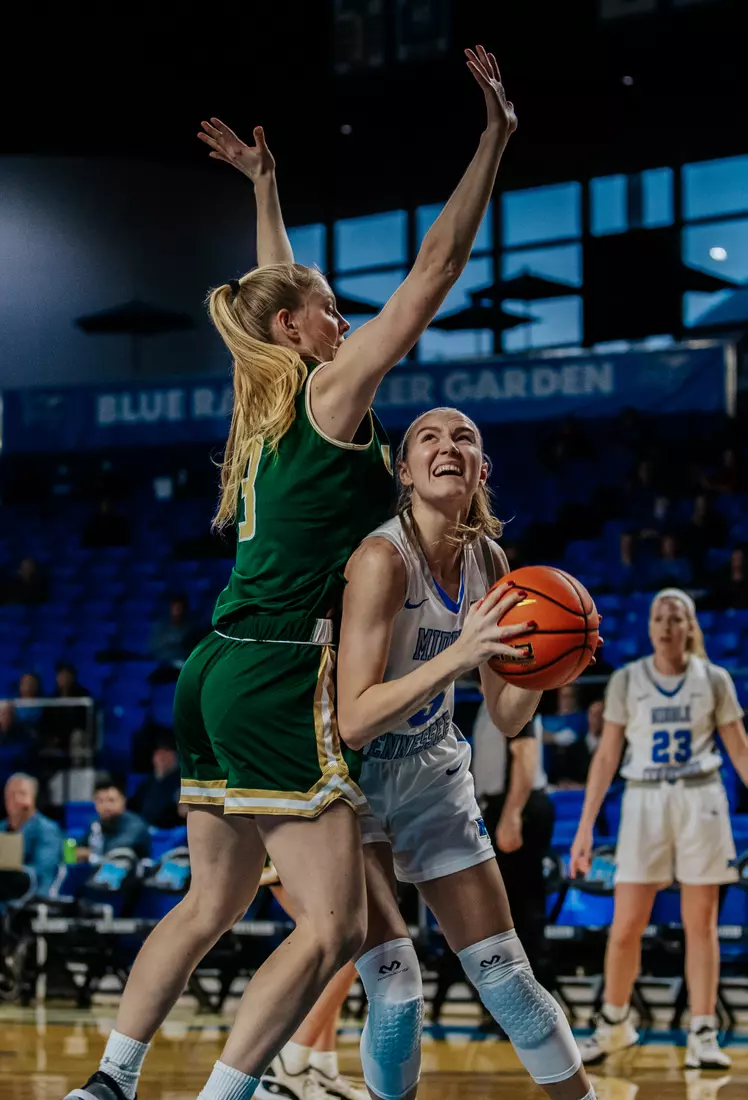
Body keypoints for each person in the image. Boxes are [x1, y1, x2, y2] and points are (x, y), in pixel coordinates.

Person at [66, 42, 517, 1100]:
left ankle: (110, 1080)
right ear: (296, 331)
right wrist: (493, 139)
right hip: (275, 670)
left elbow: (280, 287)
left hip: (211, 667)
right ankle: (225, 1094)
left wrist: (267, 195)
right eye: (325, 307)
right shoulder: (328, 393)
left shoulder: (265, 397)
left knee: (208, 903)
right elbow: (434, 274)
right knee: (334, 924)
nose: (342, 315)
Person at [337, 406, 596, 1100]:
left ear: (482, 469)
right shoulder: (380, 559)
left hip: (429, 771)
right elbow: (354, 719)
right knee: (395, 995)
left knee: (510, 979)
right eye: (429, 436)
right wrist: (460, 652)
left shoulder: (492, 563)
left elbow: (507, 718)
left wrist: (549, 669)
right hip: (347, 780)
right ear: (405, 470)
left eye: (465, 439)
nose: (447, 445)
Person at [570, 589, 748, 1071]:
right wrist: (585, 826)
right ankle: (614, 1023)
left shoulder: (714, 680)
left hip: (700, 798)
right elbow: (607, 757)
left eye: (677, 618)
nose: (667, 625)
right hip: (644, 799)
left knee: (701, 926)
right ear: (649, 628)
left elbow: (741, 752)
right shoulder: (628, 680)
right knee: (626, 925)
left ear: (690, 627)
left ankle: (703, 1032)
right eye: (659, 618)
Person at [256, 860, 366, 1100]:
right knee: (345, 943)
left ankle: (319, 1066)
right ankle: (287, 1066)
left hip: (288, 841)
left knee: (340, 946)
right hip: (293, 841)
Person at [472, 706, 554, 986]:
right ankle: (514, 990)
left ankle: (533, 991)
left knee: (520, 911)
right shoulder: (493, 701)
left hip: (516, 807)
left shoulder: (513, 694)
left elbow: (526, 754)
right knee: (503, 910)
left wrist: (512, 814)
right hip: (499, 806)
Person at [0, 773, 62, 896]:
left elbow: (42, 871)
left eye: (22, 793)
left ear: (33, 797)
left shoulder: (47, 829)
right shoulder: (1, 828)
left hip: (34, 898)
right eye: (11, 794)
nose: (16, 799)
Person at [77, 776, 152, 862]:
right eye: (100, 801)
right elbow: (78, 847)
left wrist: (89, 853)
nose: (106, 806)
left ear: (123, 801)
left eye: (111, 800)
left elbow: (115, 851)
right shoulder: (95, 823)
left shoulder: (136, 825)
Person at [129, 735, 182, 829]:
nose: (161, 757)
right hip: (145, 831)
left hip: (172, 834)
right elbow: (132, 806)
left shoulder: (181, 781)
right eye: (158, 753)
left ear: (174, 756)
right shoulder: (148, 782)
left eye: (166, 753)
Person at [148, 593, 201, 667]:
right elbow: (153, 648)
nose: (176, 611)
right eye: (174, 608)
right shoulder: (161, 627)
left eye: (179, 608)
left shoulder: (193, 628)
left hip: (183, 665)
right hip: (163, 664)